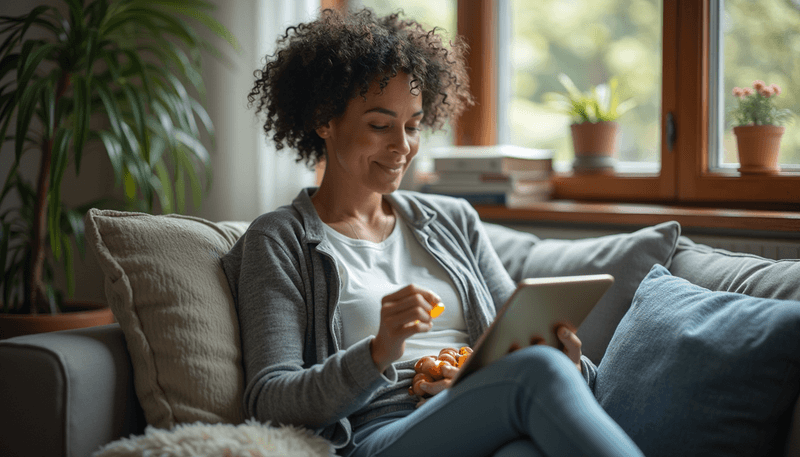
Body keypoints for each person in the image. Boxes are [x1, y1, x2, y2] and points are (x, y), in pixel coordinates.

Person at [222, 8, 643, 457]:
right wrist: (378, 351)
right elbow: (270, 397)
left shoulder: (452, 221)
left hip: (482, 412)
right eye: (380, 125)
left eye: (413, 126)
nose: (402, 147)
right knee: (535, 370)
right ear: (324, 119)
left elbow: (516, 338)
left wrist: (572, 363)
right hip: (378, 433)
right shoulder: (279, 239)